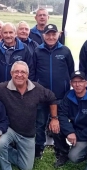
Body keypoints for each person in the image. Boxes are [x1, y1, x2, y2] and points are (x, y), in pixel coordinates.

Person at [33, 24, 75, 158]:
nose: (51, 37)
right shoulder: (37, 51)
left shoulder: (65, 51)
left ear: (58, 35)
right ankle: (39, 147)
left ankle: (60, 148)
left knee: (59, 122)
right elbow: (33, 73)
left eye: (53, 34)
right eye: (48, 34)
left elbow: (71, 71)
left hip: (60, 95)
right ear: (43, 36)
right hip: (42, 96)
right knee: (40, 123)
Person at [52, 71, 87, 167]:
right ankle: (63, 153)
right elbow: (62, 114)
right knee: (54, 127)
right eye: (74, 81)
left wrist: (77, 135)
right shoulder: (68, 95)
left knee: (74, 157)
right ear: (71, 84)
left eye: (80, 81)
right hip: (73, 129)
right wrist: (69, 132)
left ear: (86, 83)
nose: (77, 84)